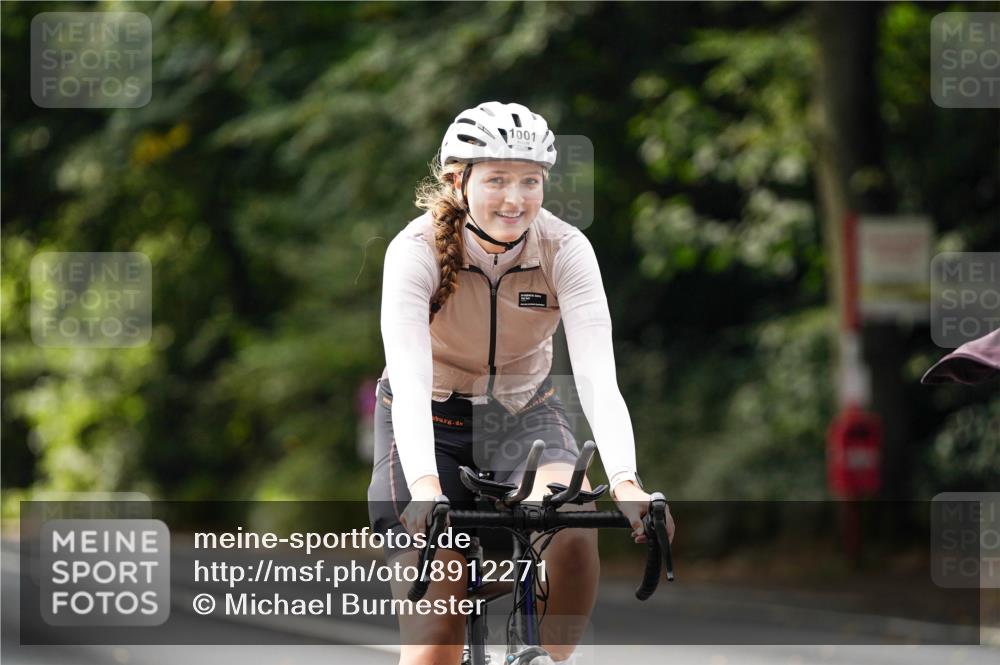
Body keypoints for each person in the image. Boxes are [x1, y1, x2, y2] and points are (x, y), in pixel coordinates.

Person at [368, 101, 674, 665]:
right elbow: (409, 382)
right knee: (437, 634)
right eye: (498, 180)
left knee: (574, 523)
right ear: (458, 182)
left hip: (523, 415)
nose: (516, 199)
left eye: (530, 181)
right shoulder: (414, 253)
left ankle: (548, 661)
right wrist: (426, 486)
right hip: (426, 423)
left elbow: (597, 377)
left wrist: (627, 481)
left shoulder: (565, 250)